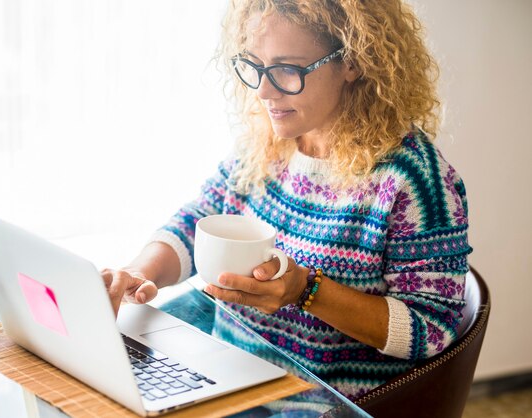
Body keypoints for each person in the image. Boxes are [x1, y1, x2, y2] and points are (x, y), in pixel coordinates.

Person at [101, 0, 471, 400]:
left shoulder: (414, 182)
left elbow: (432, 329)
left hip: (318, 399)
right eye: (255, 66)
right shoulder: (270, 141)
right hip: (228, 373)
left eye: (286, 70)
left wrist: (306, 291)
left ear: (353, 62)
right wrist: (139, 273)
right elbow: (200, 220)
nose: (263, 90)